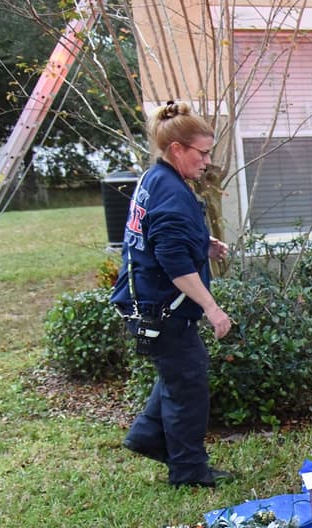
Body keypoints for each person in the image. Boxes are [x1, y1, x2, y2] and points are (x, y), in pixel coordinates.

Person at [111, 100, 233, 488]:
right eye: (202, 152)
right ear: (177, 149)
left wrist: (203, 242)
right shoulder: (173, 193)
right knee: (189, 383)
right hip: (163, 309)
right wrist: (213, 309)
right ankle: (188, 471)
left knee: (179, 374)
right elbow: (174, 263)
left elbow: (162, 237)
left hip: (146, 302)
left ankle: (146, 436)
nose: (207, 161)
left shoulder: (156, 179)